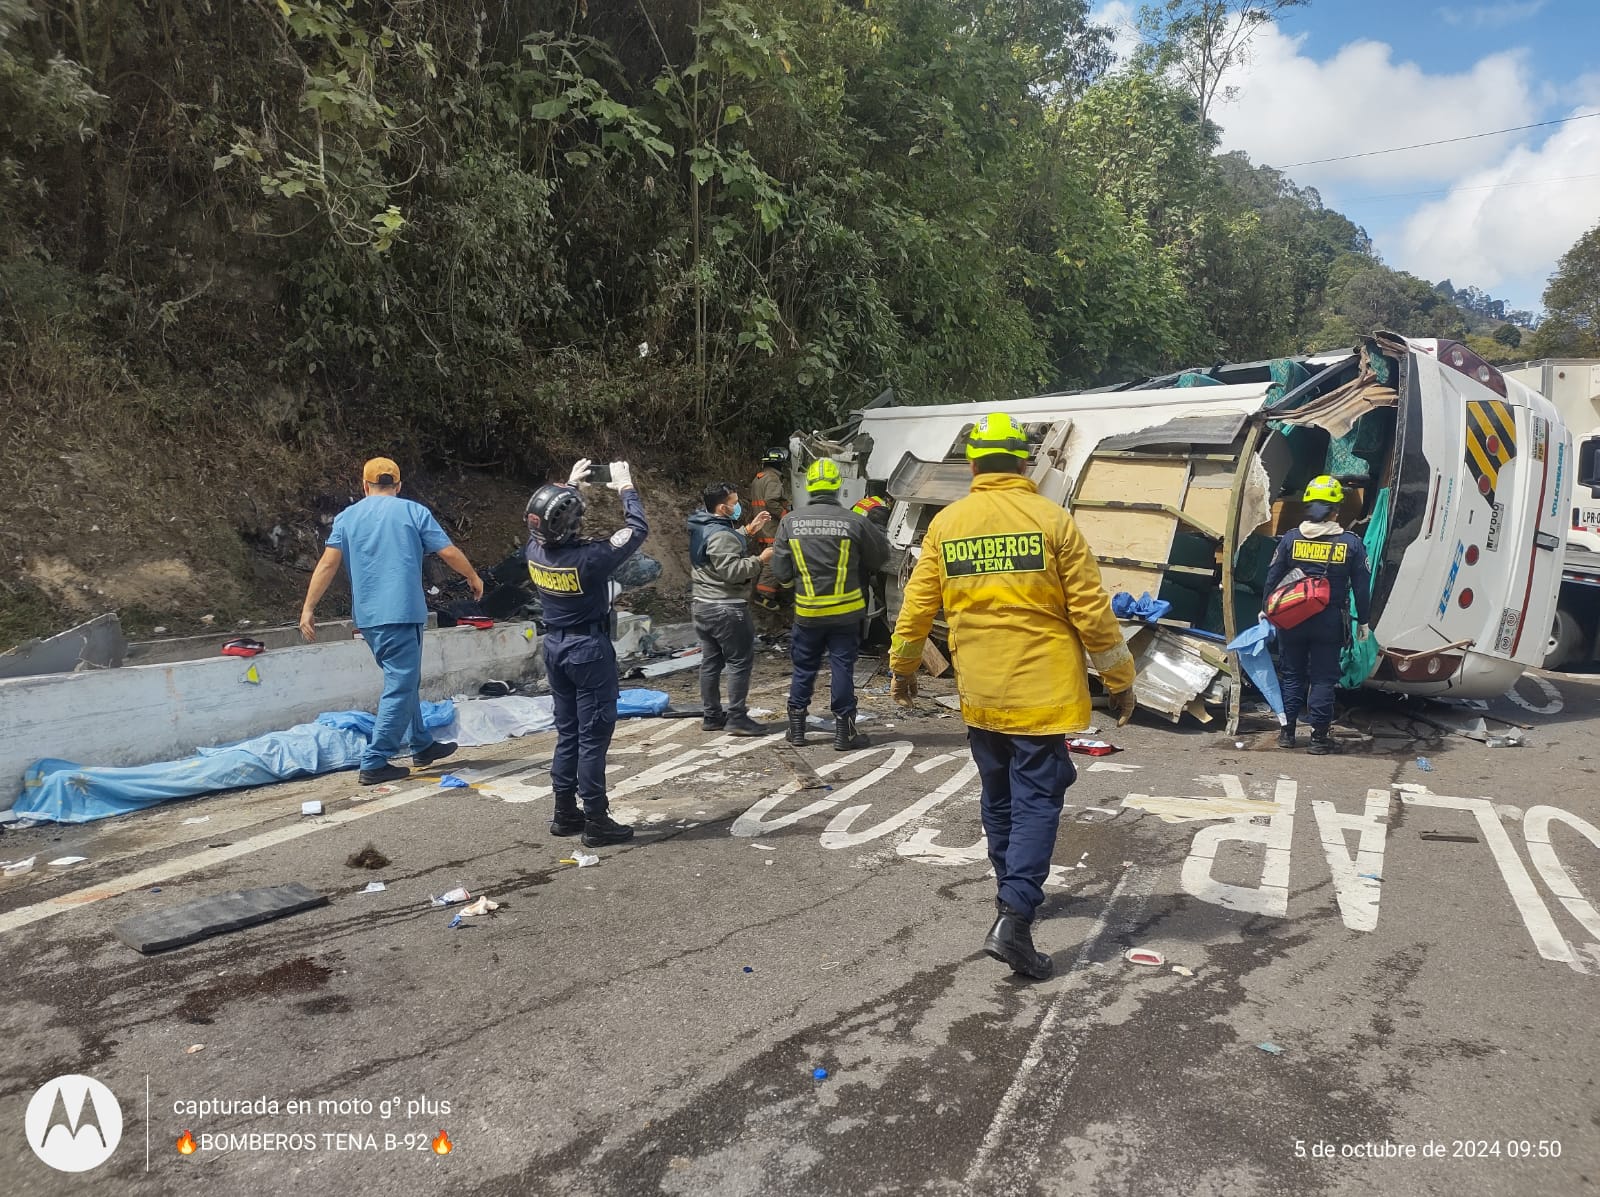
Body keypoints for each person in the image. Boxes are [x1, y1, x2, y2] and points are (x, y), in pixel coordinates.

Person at [888, 414, 1138, 981]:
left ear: (973, 464)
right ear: (1024, 464)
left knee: (998, 795)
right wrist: (1119, 680)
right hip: (1042, 693)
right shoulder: (1054, 522)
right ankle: (1015, 917)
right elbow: (1093, 614)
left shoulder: (947, 526)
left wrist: (903, 669)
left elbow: (916, 607)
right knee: (1036, 800)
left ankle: (1011, 893)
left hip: (980, 693)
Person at [300, 457, 484, 785]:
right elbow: (448, 552)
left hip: (371, 618)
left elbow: (328, 565)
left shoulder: (347, 517)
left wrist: (308, 608)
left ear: (364, 485)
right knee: (400, 685)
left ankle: (422, 745)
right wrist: (472, 576)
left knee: (405, 680)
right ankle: (375, 760)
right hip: (402, 613)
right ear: (398, 485)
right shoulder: (414, 512)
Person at [524, 459, 648, 847]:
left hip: (556, 646)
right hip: (588, 650)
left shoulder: (534, 551)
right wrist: (626, 488)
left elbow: (547, 525)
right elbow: (637, 530)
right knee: (594, 736)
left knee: (569, 733)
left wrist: (569, 488)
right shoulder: (589, 559)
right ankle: (596, 818)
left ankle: (565, 812)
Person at [771, 458, 890, 750]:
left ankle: (797, 729)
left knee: (804, 668)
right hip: (846, 614)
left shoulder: (790, 522)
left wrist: (792, 588)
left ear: (809, 487)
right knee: (842, 669)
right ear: (837, 486)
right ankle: (845, 732)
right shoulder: (855, 521)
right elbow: (880, 557)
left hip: (808, 613)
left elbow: (781, 571)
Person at [1263, 474, 1372, 756]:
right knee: (1323, 678)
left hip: (1292, 618)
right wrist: (1365, 621)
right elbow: (1362, 587)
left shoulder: (1291, 539)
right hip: (1329, 620)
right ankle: (1318, 739)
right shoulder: (1352, 544)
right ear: (1336, 510)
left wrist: (1267, 610)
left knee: (1291, 676)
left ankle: (1287, 734)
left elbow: (1272, 578)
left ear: (1307, 506)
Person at [687, 482, 777, 736]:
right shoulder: (721, 535)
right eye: (734, 502)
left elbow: (720, 546)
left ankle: (712, 715)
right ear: (722, 506)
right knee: (739, 662)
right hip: (726, 608)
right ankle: (737, 717)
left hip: (703, 606)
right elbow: (733, 572)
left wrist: (748, 530)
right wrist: (760, 560)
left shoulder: (701, 525)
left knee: (711, 662)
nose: (738, 506)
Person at [749, 448, 790, 612]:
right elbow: (771, 501)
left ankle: (762, 589)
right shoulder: (773, 479)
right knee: (774, 557)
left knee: (765, 557)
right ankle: (763, 595)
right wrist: (786, 515)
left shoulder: (759, 477)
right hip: (771, 526)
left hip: (761, 525)